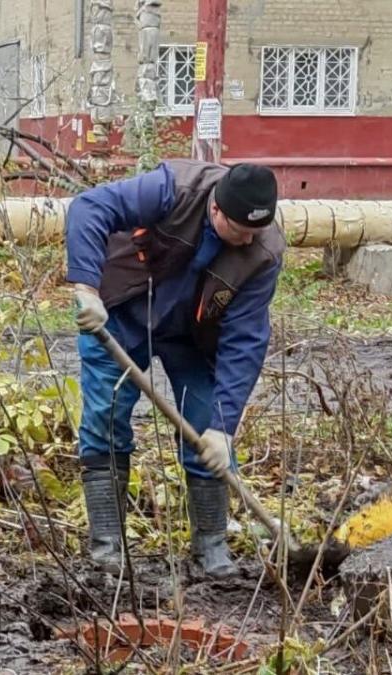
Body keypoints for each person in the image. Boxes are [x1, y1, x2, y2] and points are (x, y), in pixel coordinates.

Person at [66, 160, 283, 579]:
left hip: (192, 334)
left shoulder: (264, 252)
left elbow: (245, 340)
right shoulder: (175, 188)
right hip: (121, 314)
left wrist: (223, 425)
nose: (248, 239)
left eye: (256, 231)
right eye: (240, 230)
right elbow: (89, 207)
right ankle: (108, 548)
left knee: (205, 424)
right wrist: (86, 287)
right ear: (216, 209)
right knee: (104, 419)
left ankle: (211, 548)